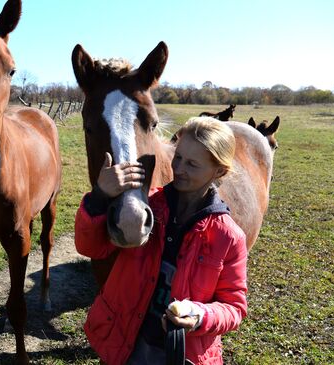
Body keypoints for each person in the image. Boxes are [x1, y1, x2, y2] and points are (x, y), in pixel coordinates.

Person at [75, 117, 248, 365]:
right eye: (178, 157)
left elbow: (234, 307)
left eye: (192, 164)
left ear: (219, 171)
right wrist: (99, 196)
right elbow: (91, 247)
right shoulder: (146, 209)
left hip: (180, 355)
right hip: (126, 344)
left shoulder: (228, 237)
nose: (178, 169)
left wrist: (200, 315)